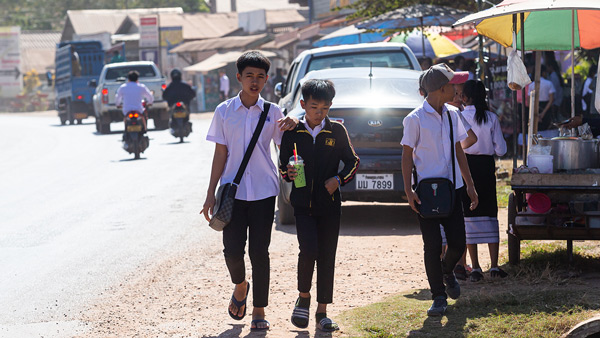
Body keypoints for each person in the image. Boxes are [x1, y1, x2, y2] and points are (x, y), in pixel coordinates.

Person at [200, 51, 299, 332]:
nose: (254, 82)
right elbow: (220, 154)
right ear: (238, 78)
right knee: (232, 250)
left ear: (266, 79)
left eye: (260, 77)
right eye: (249, 76)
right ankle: (241, 286)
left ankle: (259, 310)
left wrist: (293, 125)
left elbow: (286, 149)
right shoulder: (224, 111)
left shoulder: (273, 112)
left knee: (260, 252)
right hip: (232, 193)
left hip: (265, 192)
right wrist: (210, 193)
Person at [279, 79, 359, 332]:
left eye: (325, 108)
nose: (319, 113)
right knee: (308, 251)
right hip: (302, 205)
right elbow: (283, 167)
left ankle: (322, 311)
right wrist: (289, 172)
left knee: (327, 257)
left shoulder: (336, 131)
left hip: (330, 207)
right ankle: (303, 297)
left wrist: (338, 179)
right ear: (303, 104)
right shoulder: (292, 132)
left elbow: (353, 162)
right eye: (314, 107)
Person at [401, 63, 478, 317]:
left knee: (457, 242)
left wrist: (470, 185)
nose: (457, 91)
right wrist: (409, 190)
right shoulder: (414, 119)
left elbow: (459, 151)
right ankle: (438, 296)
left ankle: (447, 271)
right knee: (431, 246)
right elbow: (406, 157)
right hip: (426, 193)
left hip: (453, 190)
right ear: (441, 89)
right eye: (452, 87)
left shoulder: (452, 115)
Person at [460, 80, 508, 282]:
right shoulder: (491, 118)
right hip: (486, 168)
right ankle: (495, 265)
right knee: (489, 213)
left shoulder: (459, 117)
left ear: (466, 98)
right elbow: (501, 150)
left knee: (469, 215)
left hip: (466, 168)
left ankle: (477, 267)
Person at [530, 65, 555, 131]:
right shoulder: (549, 83)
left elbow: (529, 101)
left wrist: (537, 113)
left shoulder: (531, 85)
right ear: (543, 73)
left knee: (536, 130)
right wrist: (543, 113)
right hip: (546, 107)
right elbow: (551, 99)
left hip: (535, 107)